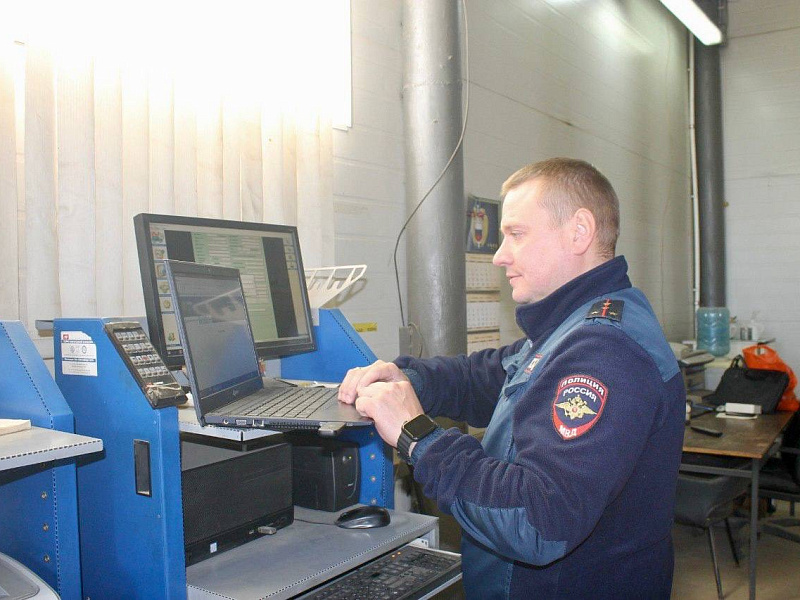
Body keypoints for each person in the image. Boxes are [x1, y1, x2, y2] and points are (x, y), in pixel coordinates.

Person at [338, 157, 686, 599]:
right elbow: (485, 377)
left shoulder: (604, 351)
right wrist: (406, 378)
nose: (500, 256)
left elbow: (538, 521)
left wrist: (416, 435)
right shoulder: (572, 328)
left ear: (579, 231)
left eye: (516, 234)